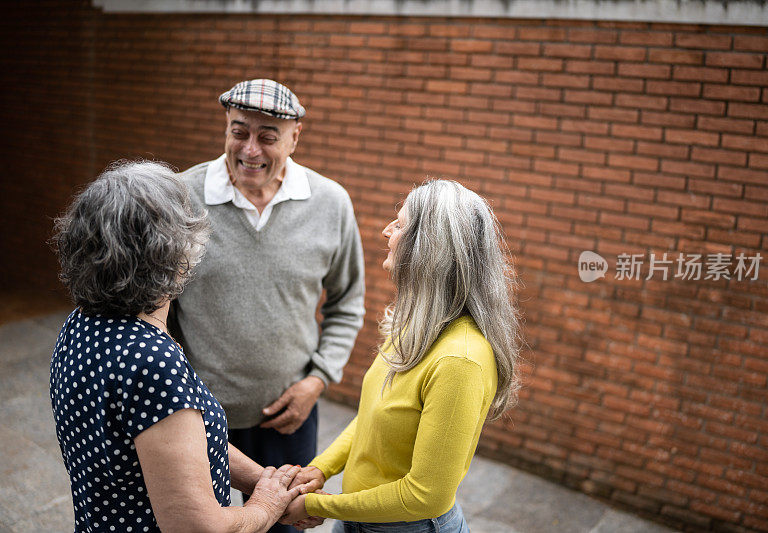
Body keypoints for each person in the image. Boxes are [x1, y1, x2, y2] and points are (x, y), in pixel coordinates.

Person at [50, 160, 312, 532]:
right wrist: (266, 506)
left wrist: (265, 482)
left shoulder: (81, 324)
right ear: (176, 256)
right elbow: (197, 527)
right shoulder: (152, 362)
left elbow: (184, 444)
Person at [168, 79, 365, 530]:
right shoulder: (179, 197)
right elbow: (157, 305)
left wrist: (317, 380)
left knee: (285, 527)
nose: (250, 150)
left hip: (288, 418)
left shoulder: (331, 203)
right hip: (197, 417)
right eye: (239, 131)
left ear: (296, 136)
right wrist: (178, 390)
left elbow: (348, 302)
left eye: (268, 136)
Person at [281, 180, 522, 532]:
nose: (386, 231)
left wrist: (320, 505)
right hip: (358, 519)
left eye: (401, 224)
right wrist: (319, 470)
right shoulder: (420, 327)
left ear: (430, 246)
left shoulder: (461, 360)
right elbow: (374, 416)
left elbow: (426, 496)